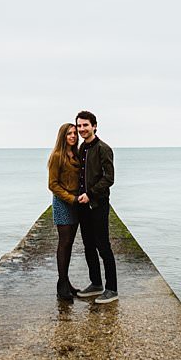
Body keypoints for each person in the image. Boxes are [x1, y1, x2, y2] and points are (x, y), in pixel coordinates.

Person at [74, 110, 118, 303]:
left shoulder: (103, 148)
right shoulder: (81, 148)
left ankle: (111, 289)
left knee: (103, 246)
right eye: (79, 126)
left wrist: (90, 194)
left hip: (98, 204)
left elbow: (109, 178)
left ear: (94, 126)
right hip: (82, 206)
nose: (82, 129)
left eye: (85, 125)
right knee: (88, 246)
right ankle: (96, 284)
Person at [47, 122, 81, 301]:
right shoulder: (57, 156)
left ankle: (67, 282)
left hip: (76, 204)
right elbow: (52, 185)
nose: (73, 136)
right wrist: (70, 198)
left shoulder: (76, 154)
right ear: (63, 136)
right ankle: (61, 284)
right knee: (64, 243)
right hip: (63, 203)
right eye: (69, 134)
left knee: (70, 245)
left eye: (75, 133)